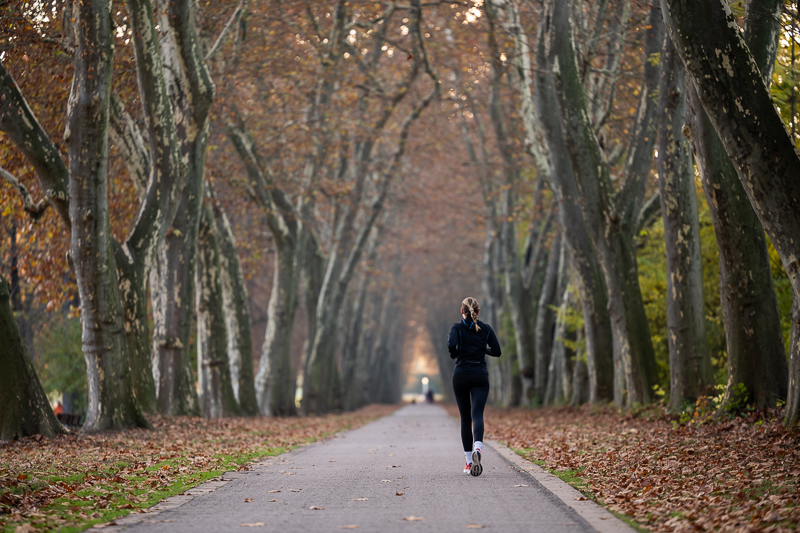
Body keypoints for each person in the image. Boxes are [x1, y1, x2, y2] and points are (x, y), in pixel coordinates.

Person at [446, 297, 501, 476]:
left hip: (461, 374)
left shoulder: (457, 327)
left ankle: (469, 462)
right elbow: (497, 351)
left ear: (462, 311)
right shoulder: (485, 329)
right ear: (478, 312)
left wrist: (456, 353)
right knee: (477, 414)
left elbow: (452, 346)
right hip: (480, 375)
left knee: (465, 418)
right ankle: (478, 448)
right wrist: (482, 349)